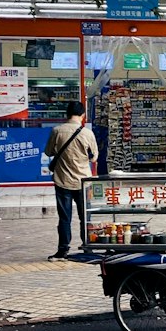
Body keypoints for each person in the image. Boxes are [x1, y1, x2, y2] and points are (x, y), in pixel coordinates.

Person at [44, 101, 98, 258]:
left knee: (64, 218)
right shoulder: (87, 133)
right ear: (82, 115)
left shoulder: (57, 131)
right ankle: (88, 247)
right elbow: (94, 158)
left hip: (63, 180)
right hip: (83, 181)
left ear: (67, 114)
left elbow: (48, 152)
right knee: (85, 217)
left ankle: (63, 248)